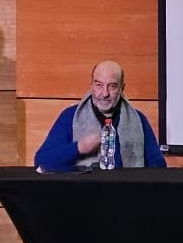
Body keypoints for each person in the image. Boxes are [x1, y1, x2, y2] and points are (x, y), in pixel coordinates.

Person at [34, 61, 165, 170]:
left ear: (122, 88)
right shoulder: (70, 116)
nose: (104, 93)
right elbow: (41, 161)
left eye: (112, 86)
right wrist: (79, 147)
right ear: (91, 85)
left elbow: (158, 166)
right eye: (99, 85)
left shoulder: (138, 119)